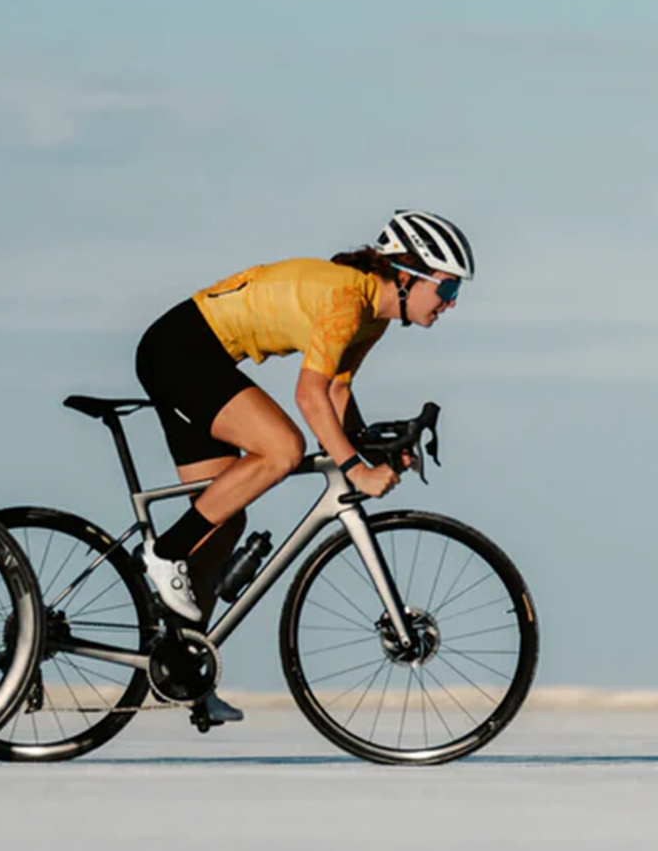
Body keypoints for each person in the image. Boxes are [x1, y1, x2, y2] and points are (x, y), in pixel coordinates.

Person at [132, 210, 474, 722]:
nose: (450, 305)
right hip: (181, 351)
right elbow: (309, 397)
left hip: (195, 356)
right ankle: (165, 553)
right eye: (447, 290)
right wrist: (354, 469)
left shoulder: (375, 316)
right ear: (407, 276)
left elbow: (336, 391)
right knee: (282, 449)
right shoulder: (348, 299)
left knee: (227, 518)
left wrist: (371, 446)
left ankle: (182, 668)